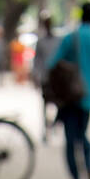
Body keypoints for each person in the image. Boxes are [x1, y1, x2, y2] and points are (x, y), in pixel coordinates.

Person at [48, 1, 90, 179]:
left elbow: (53, 64)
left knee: (71, 138)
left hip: (71, 95)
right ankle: (89, 166)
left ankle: (75, 178)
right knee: (83, 134)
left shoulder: (71, 37)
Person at [32, 12, 59, 141]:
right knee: (45, 105)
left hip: (57, 78)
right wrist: (36, 76)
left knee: (59, 105)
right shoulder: (41, 42)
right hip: (46, 78)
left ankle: (53, 125)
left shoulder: (58, 40)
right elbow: (37, 60)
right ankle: (46, 131)